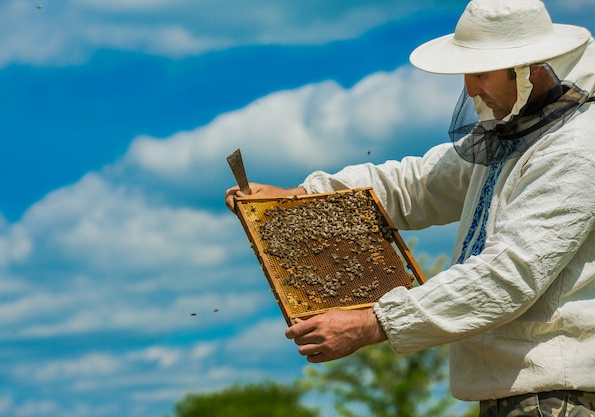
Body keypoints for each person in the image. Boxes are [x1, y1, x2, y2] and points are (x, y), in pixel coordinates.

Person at [225, 0, 595, 415]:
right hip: (517, 394)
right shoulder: (512, 136)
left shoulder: (575, 149)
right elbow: (416, 184)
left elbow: (509, 274)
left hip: (559, 396)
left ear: (528, 69)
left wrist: (373, 322)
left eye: (481, 73)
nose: (471, 88)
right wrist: (301, 195)